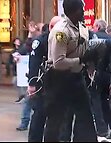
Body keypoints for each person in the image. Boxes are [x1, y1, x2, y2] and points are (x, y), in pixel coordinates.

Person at [43, 0, 97, 141]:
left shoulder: (82, 27)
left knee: (85, 115)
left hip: (77, 77)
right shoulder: (61, 31)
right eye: (81, 9)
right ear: (73, 12)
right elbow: (58, 63)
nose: (84, 12)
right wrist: (80, 61)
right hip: (59, 79)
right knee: (56, 118)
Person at [26, 16, 62, 142]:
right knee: (39, 115)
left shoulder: (62, 39)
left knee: (56, 117)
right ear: (51, 27)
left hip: (59, 83)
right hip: (43, 84)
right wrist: (32, 84)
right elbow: (34, 63)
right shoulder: (41, 41)